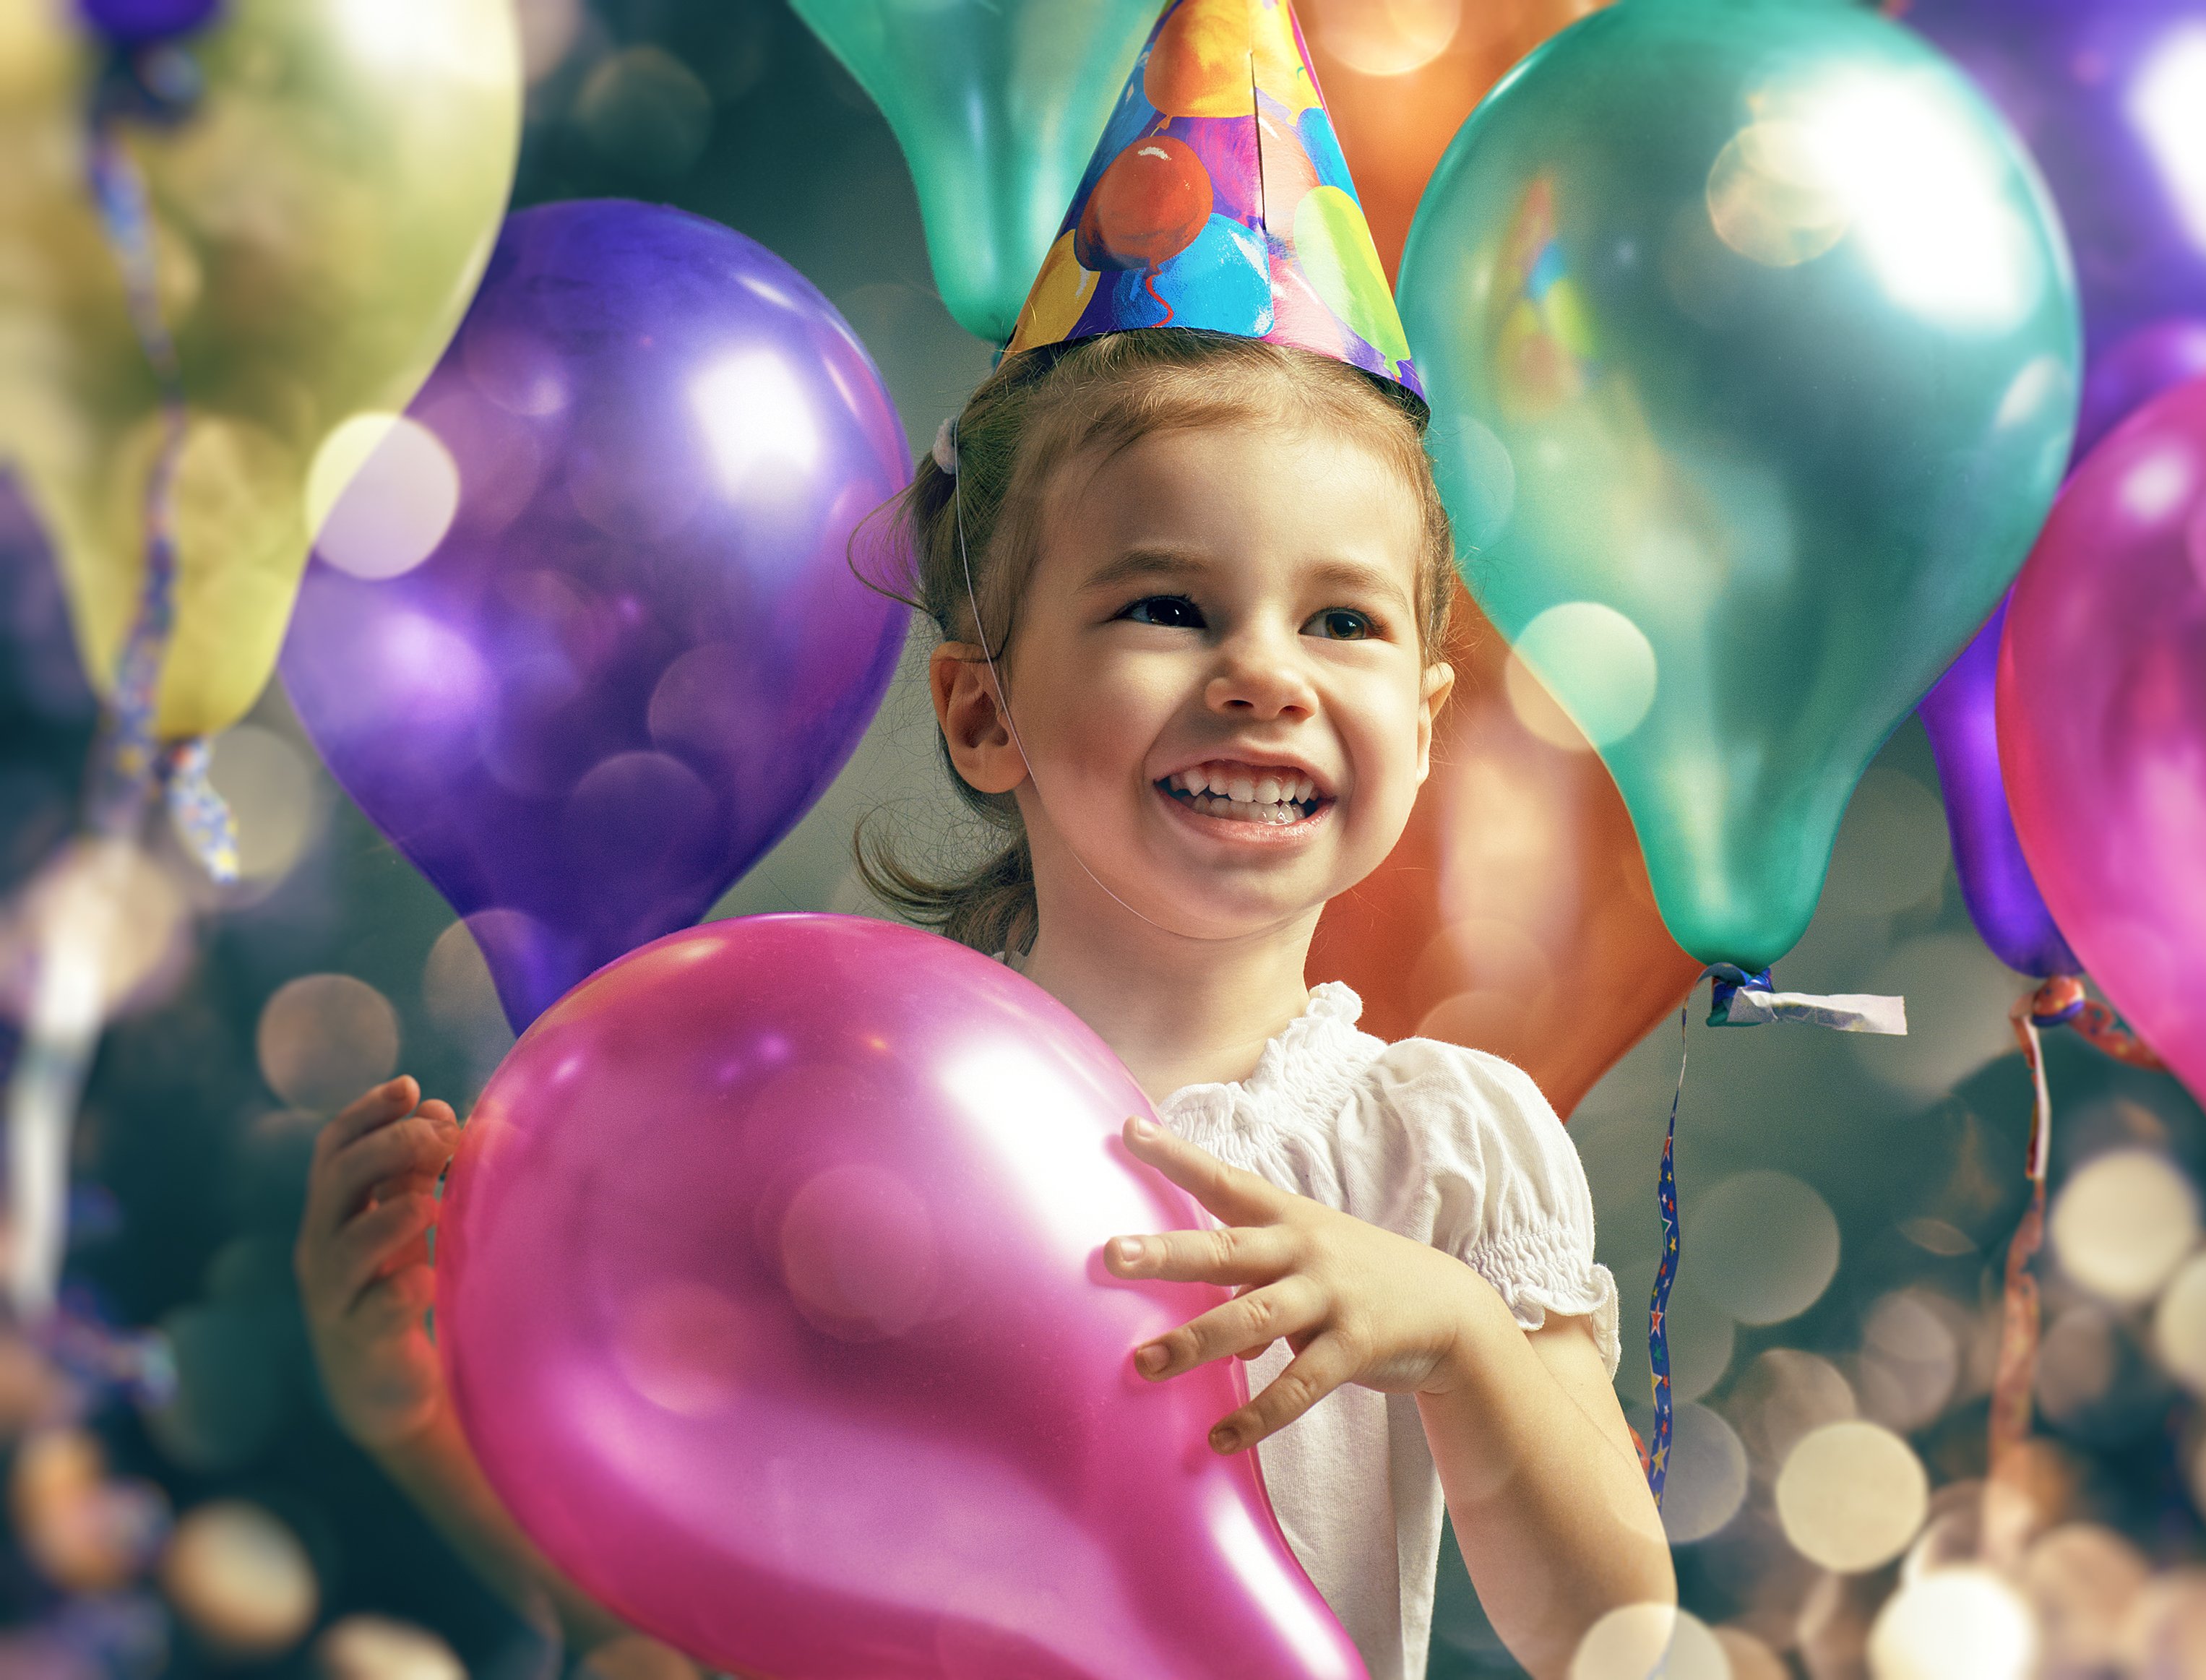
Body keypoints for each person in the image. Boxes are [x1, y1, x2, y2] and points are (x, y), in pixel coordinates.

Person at [296, 3, 1673, 1673]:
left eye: (1343, 623)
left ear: (1431, 718)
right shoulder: (841, 1103)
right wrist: (422, 1421)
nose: (1262, 675)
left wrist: (1457, 1332)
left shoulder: (1450, 1145)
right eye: (1168, 604)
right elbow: (677, 1613)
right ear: (983, 714)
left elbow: (1615, 1625)